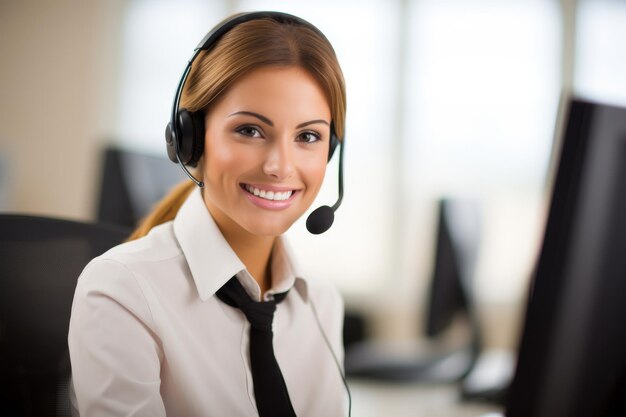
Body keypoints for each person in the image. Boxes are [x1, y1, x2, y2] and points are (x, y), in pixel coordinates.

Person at [68, 11, 349, 417]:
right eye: (250, 130)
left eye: (308, 136)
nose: (280, 166)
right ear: (190, 139)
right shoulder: (122, 291)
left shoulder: (321, 304)